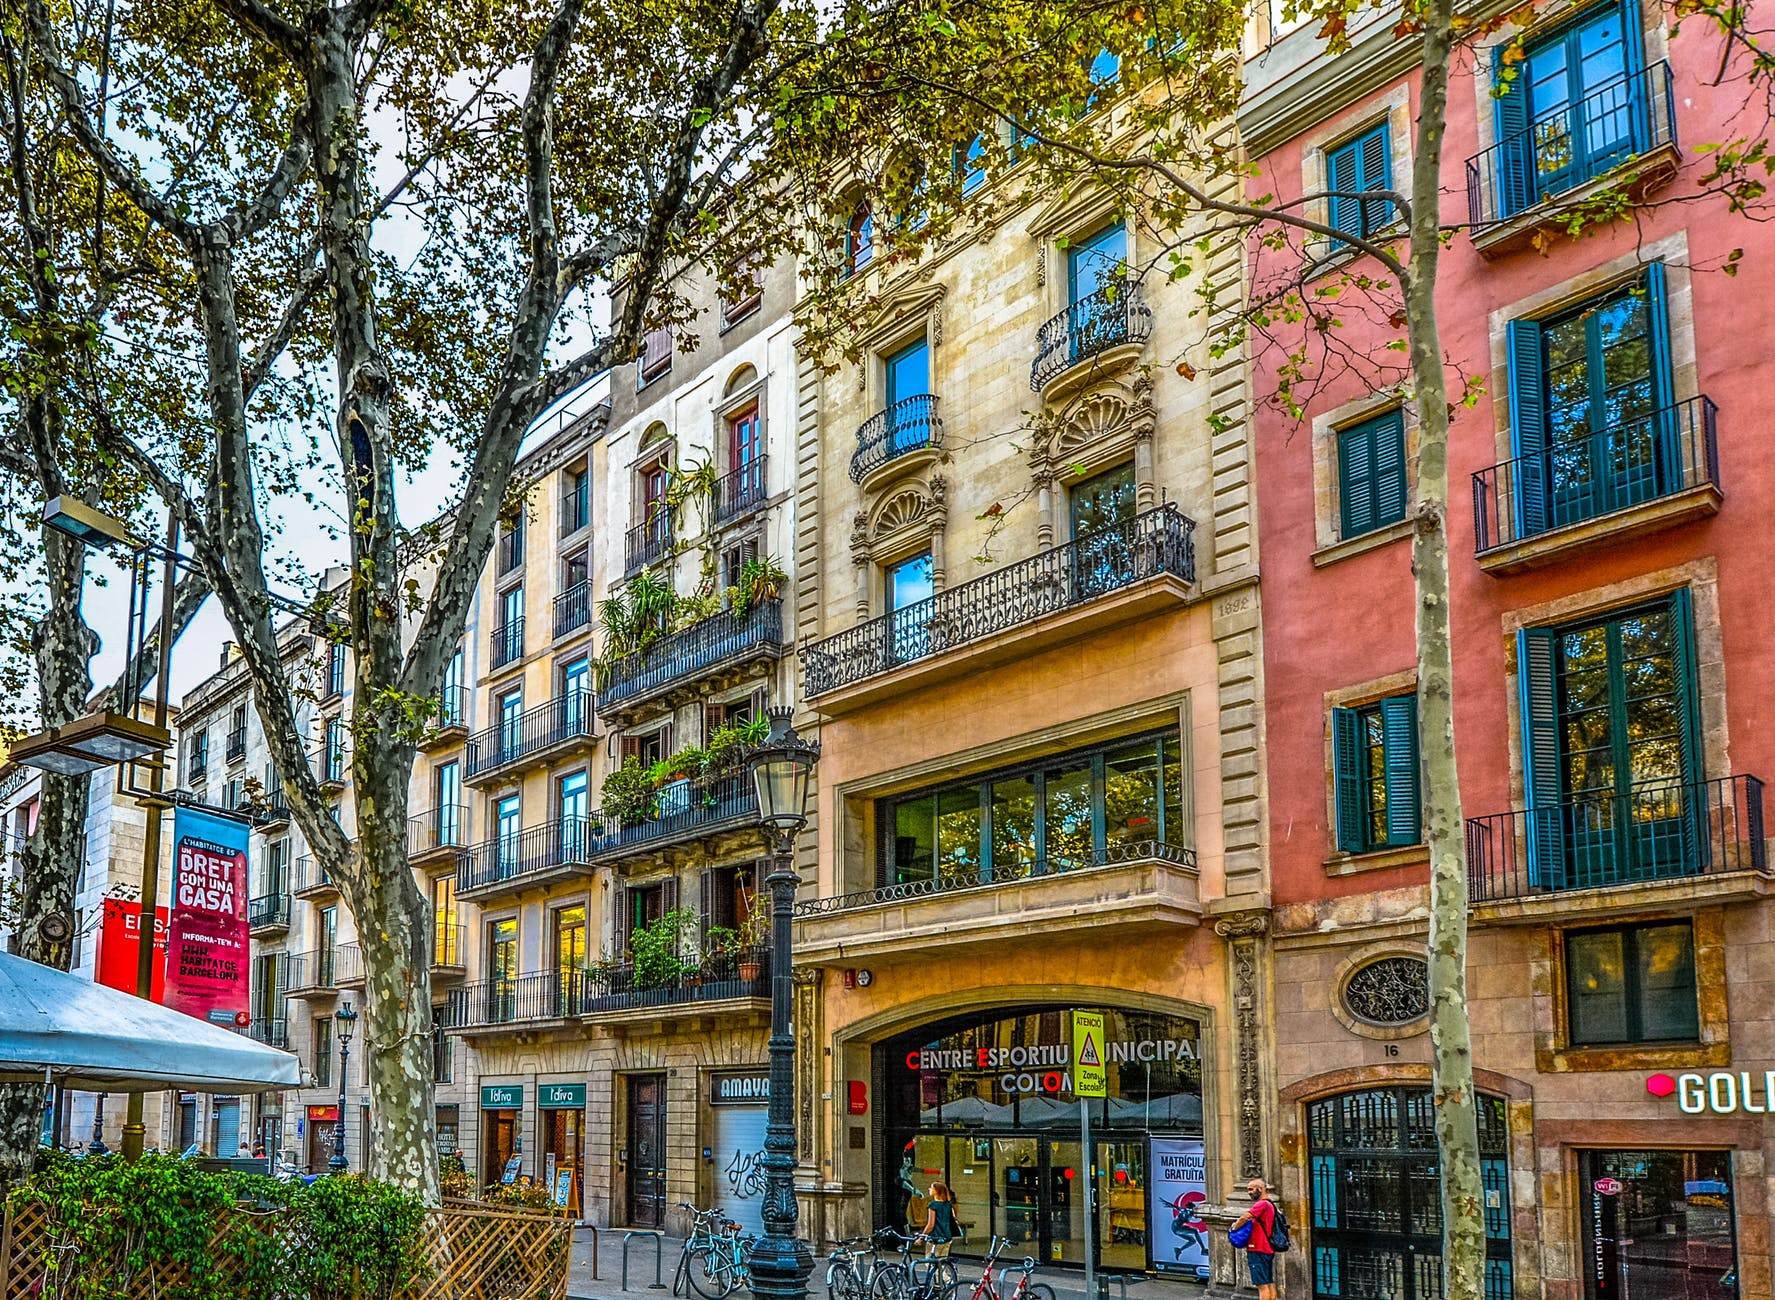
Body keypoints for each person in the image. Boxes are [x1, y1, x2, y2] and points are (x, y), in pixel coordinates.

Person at [1229, 1178, 1278, 1300]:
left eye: (1251, 1189)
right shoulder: (1270, 1204)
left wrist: (1234, 1227)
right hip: (1266, 1248)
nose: (1249, 1192)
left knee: (1262, 1285)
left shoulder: (1261, 1204)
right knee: (1268, 1282)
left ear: (1260, 1189)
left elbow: (1245, 1217)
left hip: (1258, 1248)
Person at [917, 1181, 960, 1260]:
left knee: (930, 1262)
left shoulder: (933, 1205)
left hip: (935, 1237)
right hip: (947, 1237)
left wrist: (921, 1237)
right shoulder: (948, 1205)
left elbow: (931, 1224)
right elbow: (954, 1219)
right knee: (942, 1263)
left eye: (931, 1188)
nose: (929, 1189)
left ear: (936, 1191)